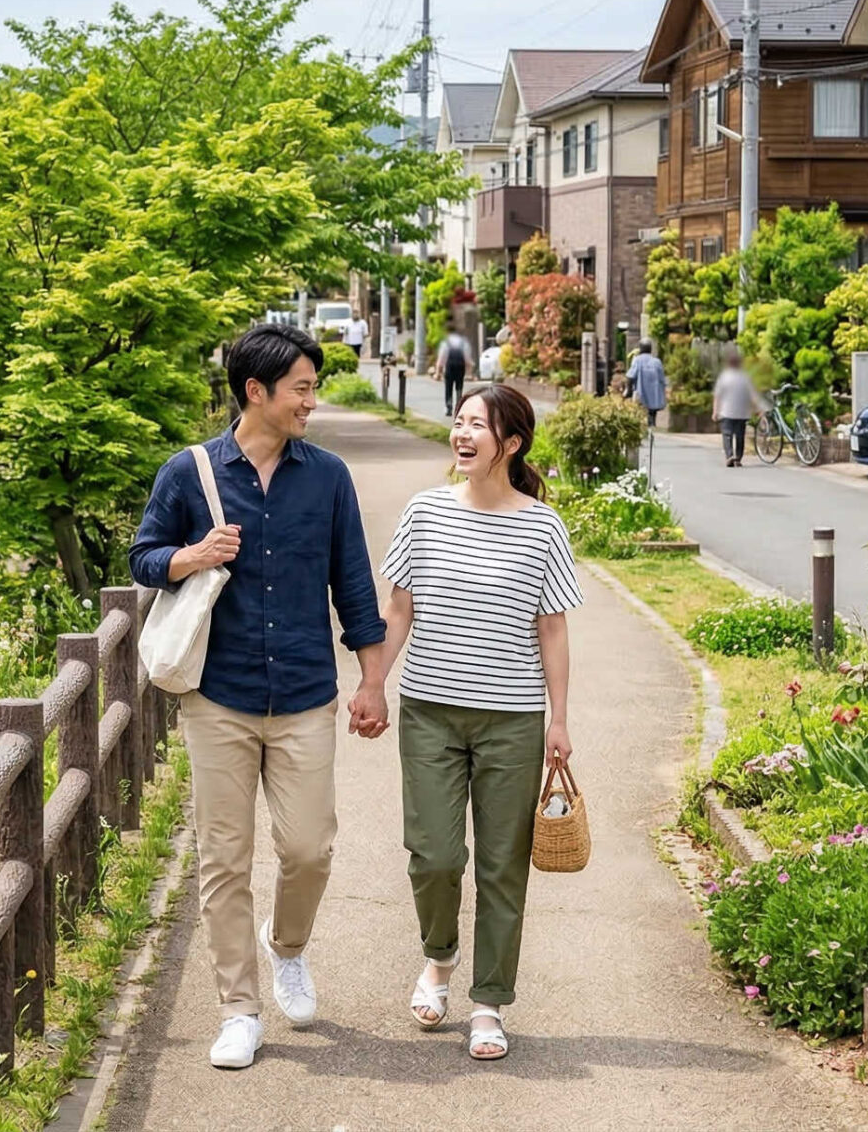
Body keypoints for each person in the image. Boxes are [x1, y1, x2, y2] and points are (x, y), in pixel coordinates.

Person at [130, 323, 389, 1072]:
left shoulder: (328, 476)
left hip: (307, 691)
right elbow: (143, 557)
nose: (313, 399)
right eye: (302, 387)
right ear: (257, 391)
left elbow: (355, 586)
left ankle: (289, 948)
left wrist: (372, 680)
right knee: (224, 856)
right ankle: (239, 1008)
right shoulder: (188, 473)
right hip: (218, 694)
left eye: (313, 386)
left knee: (309, 848)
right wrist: (192, 554)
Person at [350, 384, 580, 1062]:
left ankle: (489, 1001)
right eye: (459, 421)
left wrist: (559, 719)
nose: (462, 433)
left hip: (512, 718)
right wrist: (373, 683)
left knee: (504, 867)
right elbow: (400, 609)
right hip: (430, 711)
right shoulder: (424, 513)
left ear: (510, 443)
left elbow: (553, 628)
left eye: (477, 424)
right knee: (436, 854)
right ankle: (439, 957)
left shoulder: (543, 525)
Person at [712, 346, 759, 467]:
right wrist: (756, 408)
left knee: (727, 434)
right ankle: (738, 458)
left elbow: (718, 395)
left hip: (726, 411)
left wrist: (715, 411)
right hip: (742, 412)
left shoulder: (724, 377)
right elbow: (752, 394)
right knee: (740, 435)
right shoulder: (745, 377)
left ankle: (729, 456)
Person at [623, 339, 667, 430]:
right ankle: (653, 425)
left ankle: (644, 428)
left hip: (641, 394)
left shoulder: (637, 360)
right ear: (650, 349)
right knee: (652, 414)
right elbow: (662, 379)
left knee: (641, 414)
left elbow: (630, 376)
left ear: (640, 349)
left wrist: (629, 391)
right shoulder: (657, 362)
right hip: (655, 396)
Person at [437, 329, 473, 416]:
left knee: (448, 388)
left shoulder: (446, 343)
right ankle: (458, 407)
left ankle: (448, 407)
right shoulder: (463, 343)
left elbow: (441, 358)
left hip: (449, 367)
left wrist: (438, 372)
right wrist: (469, 373)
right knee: (459, 387)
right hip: (460, 367)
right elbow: (467, 359)